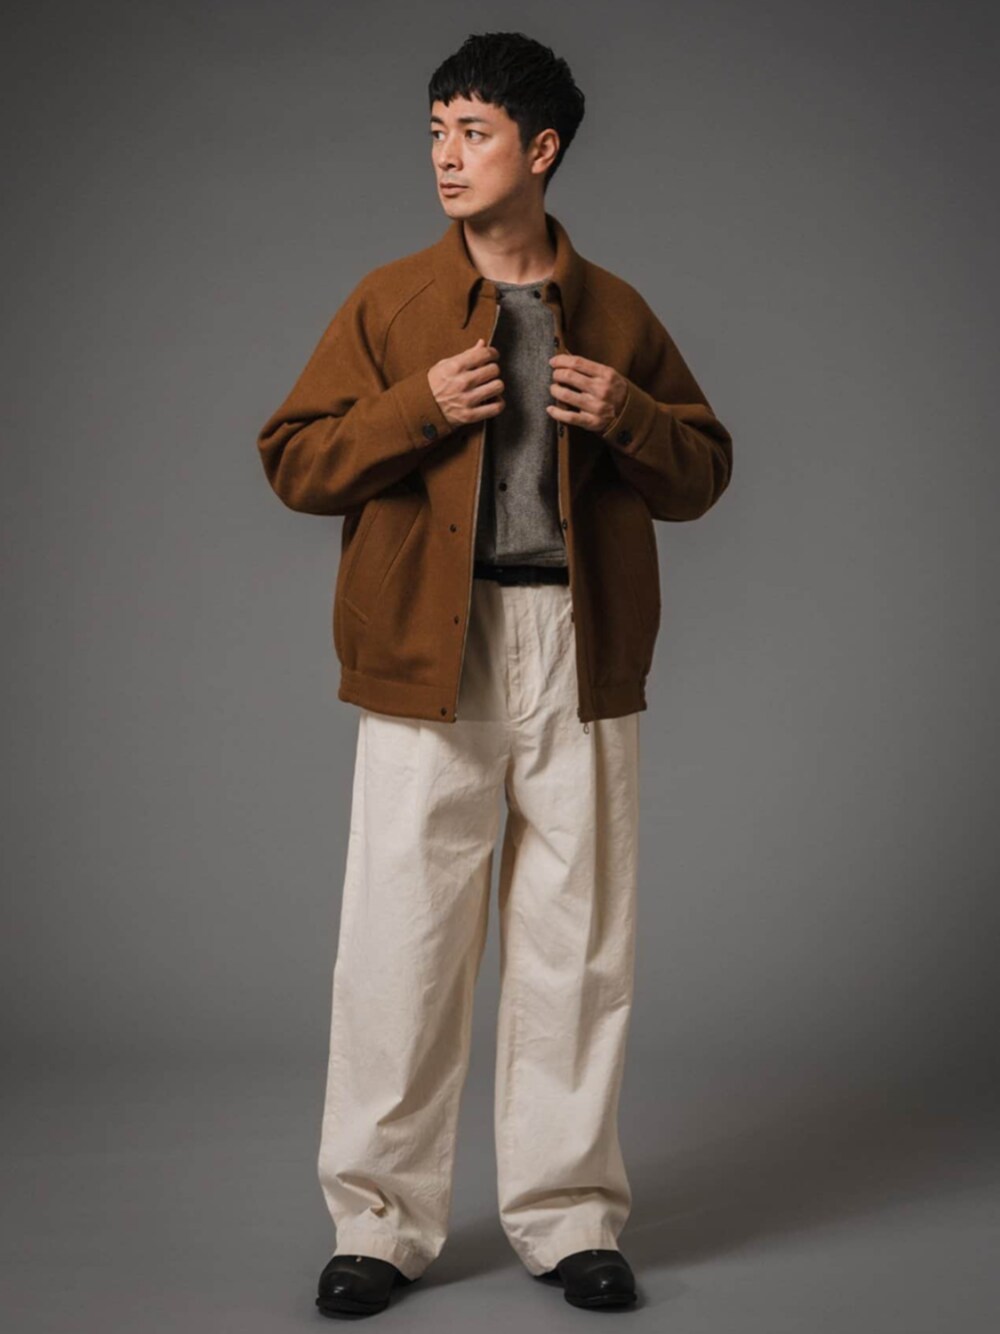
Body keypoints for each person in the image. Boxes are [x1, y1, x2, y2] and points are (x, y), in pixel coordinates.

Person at [257, 30, 733, 1319]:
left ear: (543, 148)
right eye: (436, 132)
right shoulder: (391, 304)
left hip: (579, 646)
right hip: (431, 646)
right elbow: (293, 460)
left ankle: (570, 1218)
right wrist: (417, 405)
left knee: (578, 945)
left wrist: (629, 415)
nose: (446, 157)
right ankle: (378, 1223)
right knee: (401, 941)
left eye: (473, 133)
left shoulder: (616, 309)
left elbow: (702, 471)